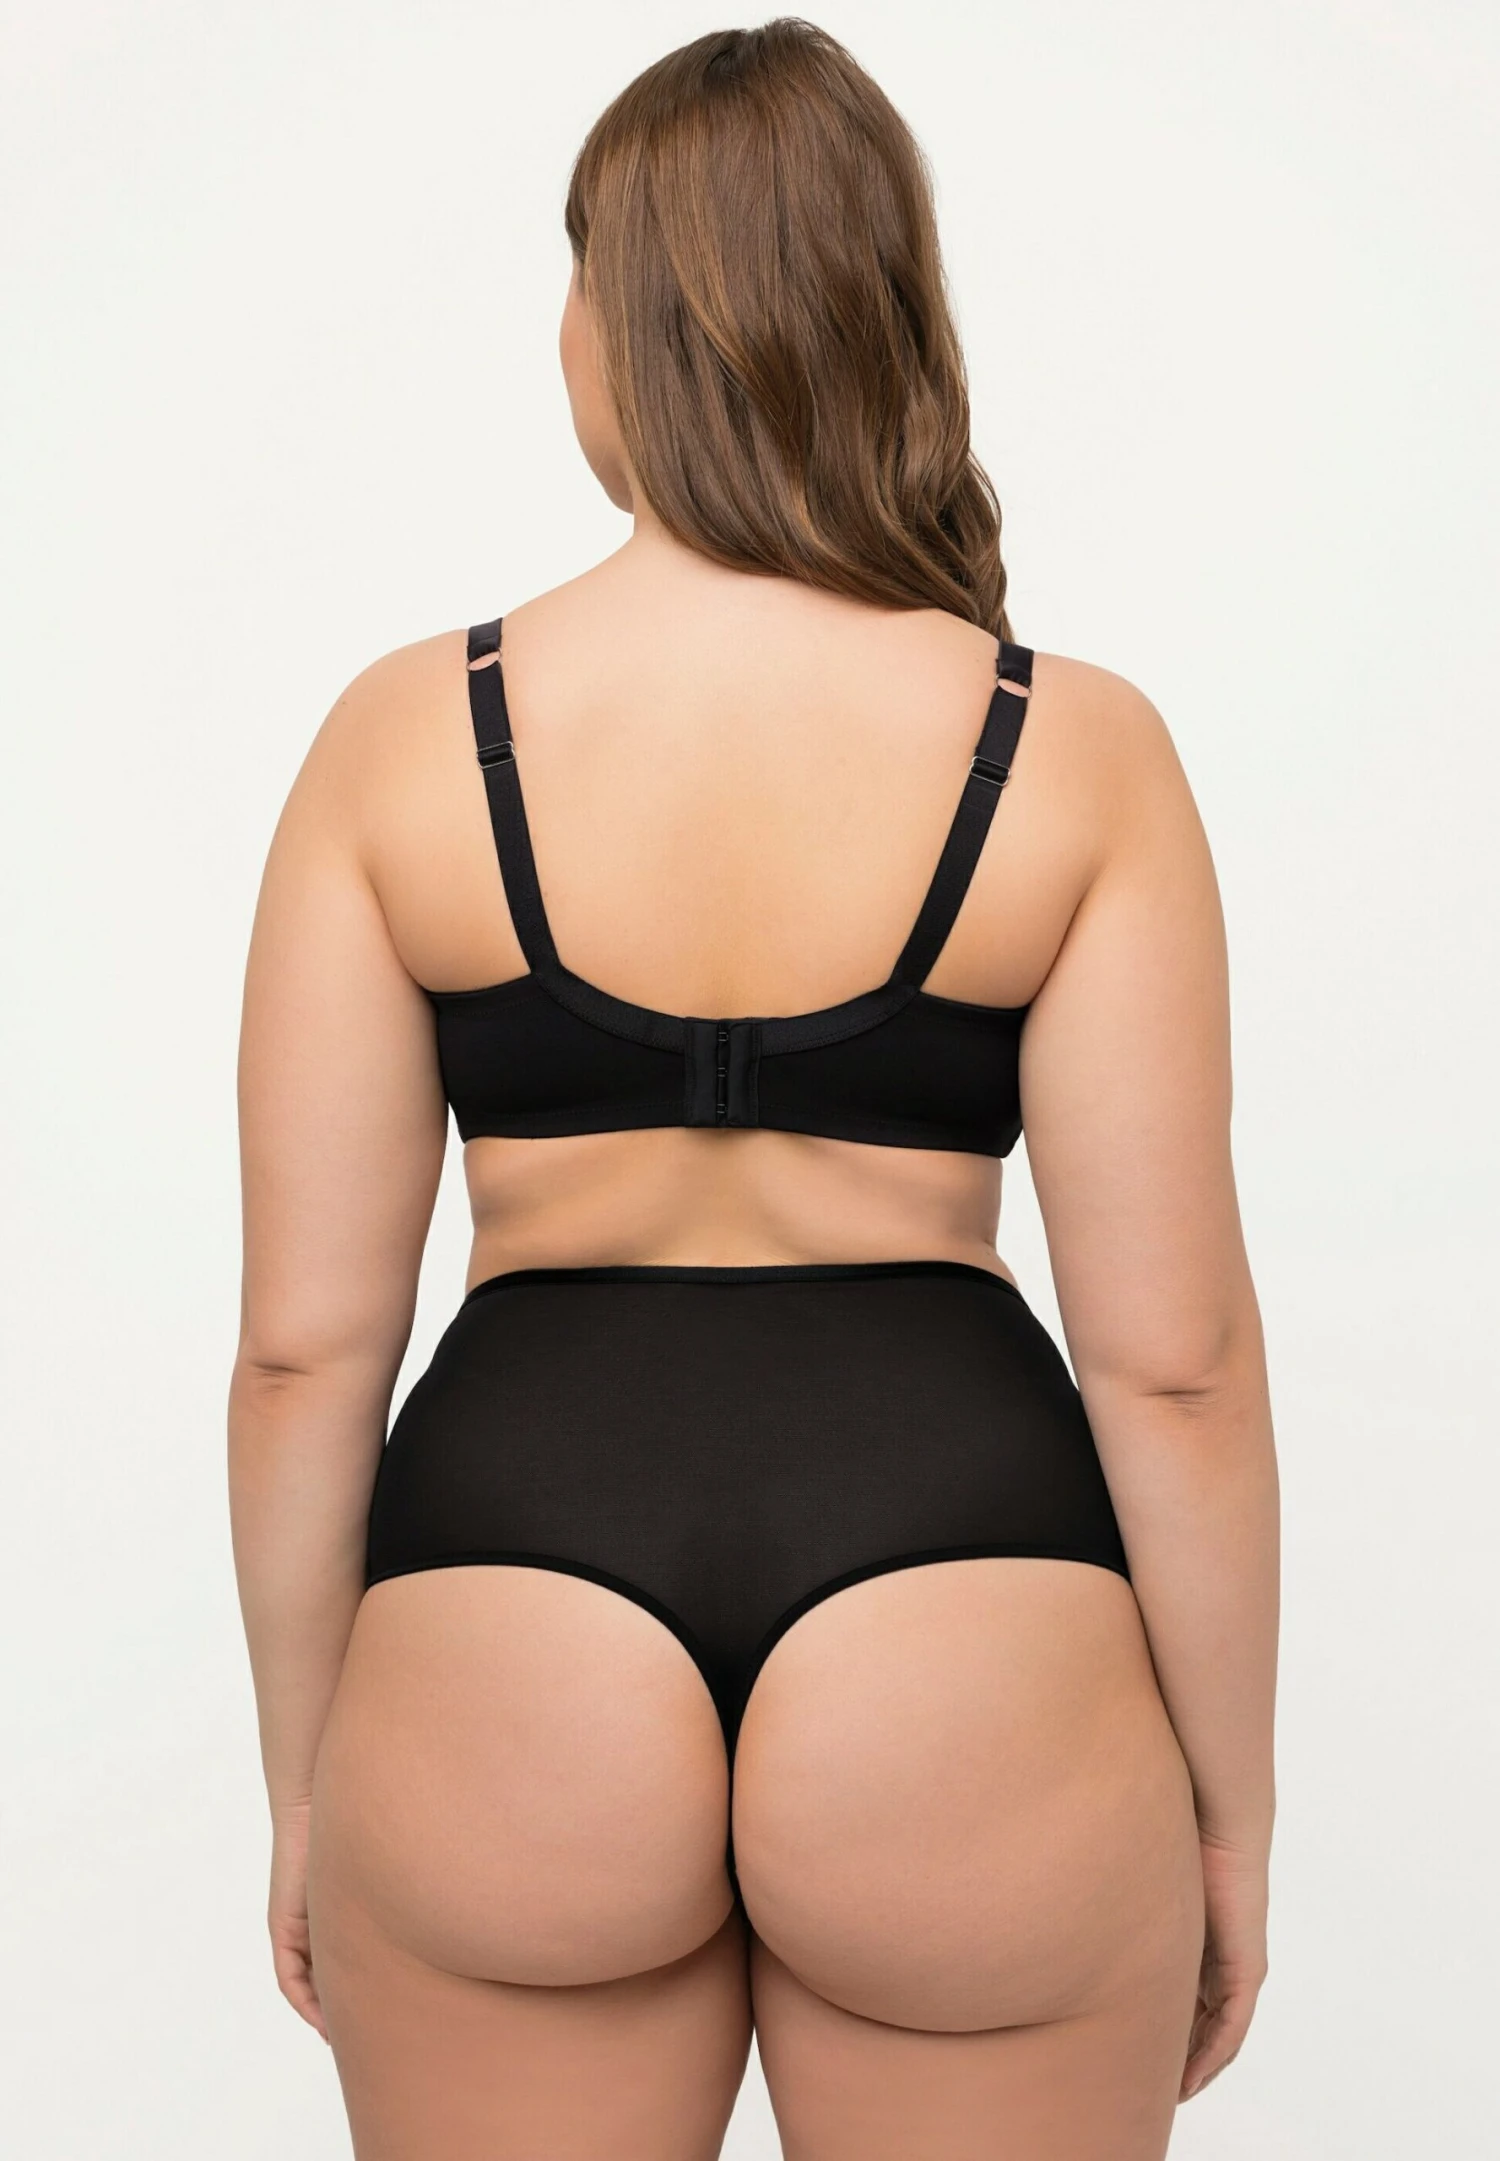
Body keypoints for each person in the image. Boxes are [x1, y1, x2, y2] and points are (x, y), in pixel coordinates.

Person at [229, 21, 1278, 2159]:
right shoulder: (1072, 749)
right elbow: (1171, 1364)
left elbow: (303, 1351)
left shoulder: (401, 741)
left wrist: (313, 1785)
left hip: (509, 1606)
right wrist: (1230, 1812)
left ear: (619, 321)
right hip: (963, 1612)